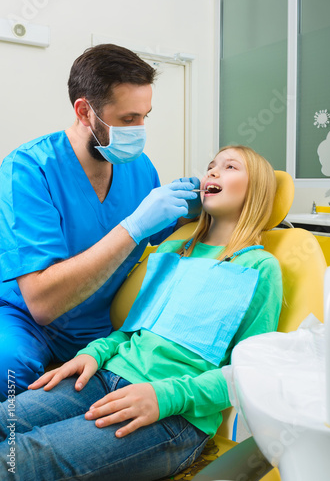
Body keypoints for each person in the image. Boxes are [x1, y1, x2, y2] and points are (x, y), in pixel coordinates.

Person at [0, 145, 283, 481]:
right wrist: (93, 352)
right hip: (105, 376)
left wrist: (163, 396)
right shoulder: (171, 251)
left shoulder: (259, 268)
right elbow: (131, 332)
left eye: (230, 167)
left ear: (257, 191)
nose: (212, 172)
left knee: (20, 459)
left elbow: (249, 376)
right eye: (211, 166)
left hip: (173, 415)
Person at [0, 44, 201, 401]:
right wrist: (132, 228)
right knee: (8, 368)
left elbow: (169, 230)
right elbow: (43, 304)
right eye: (127, 119)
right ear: (84, 111)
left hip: (101, 326)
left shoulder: (139, 169)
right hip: (27, 321)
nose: (139, 130)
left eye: (145, 117)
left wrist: (200, 206)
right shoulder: (28, 170)